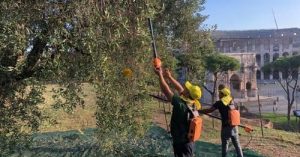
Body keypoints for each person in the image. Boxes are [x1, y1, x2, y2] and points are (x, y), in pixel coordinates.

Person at [154, 67, 202, 157]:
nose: (184, 88)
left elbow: (166, 91)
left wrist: (160, 75)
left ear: (188, 94)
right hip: (188, 141)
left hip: (181, 142)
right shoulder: (195, 104)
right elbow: (180, 89)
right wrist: (169, 77)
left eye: (187, 89)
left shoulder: (181, 105)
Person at [199, 87, 243, 157]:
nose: (218, 94)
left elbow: (210, 110)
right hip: (235, 127)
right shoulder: (234, 102)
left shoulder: (220, 103)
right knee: (237, 145)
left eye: (220, 93)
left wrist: (199, 111)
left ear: (223, 95)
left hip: (226, 128)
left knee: (225, 146)